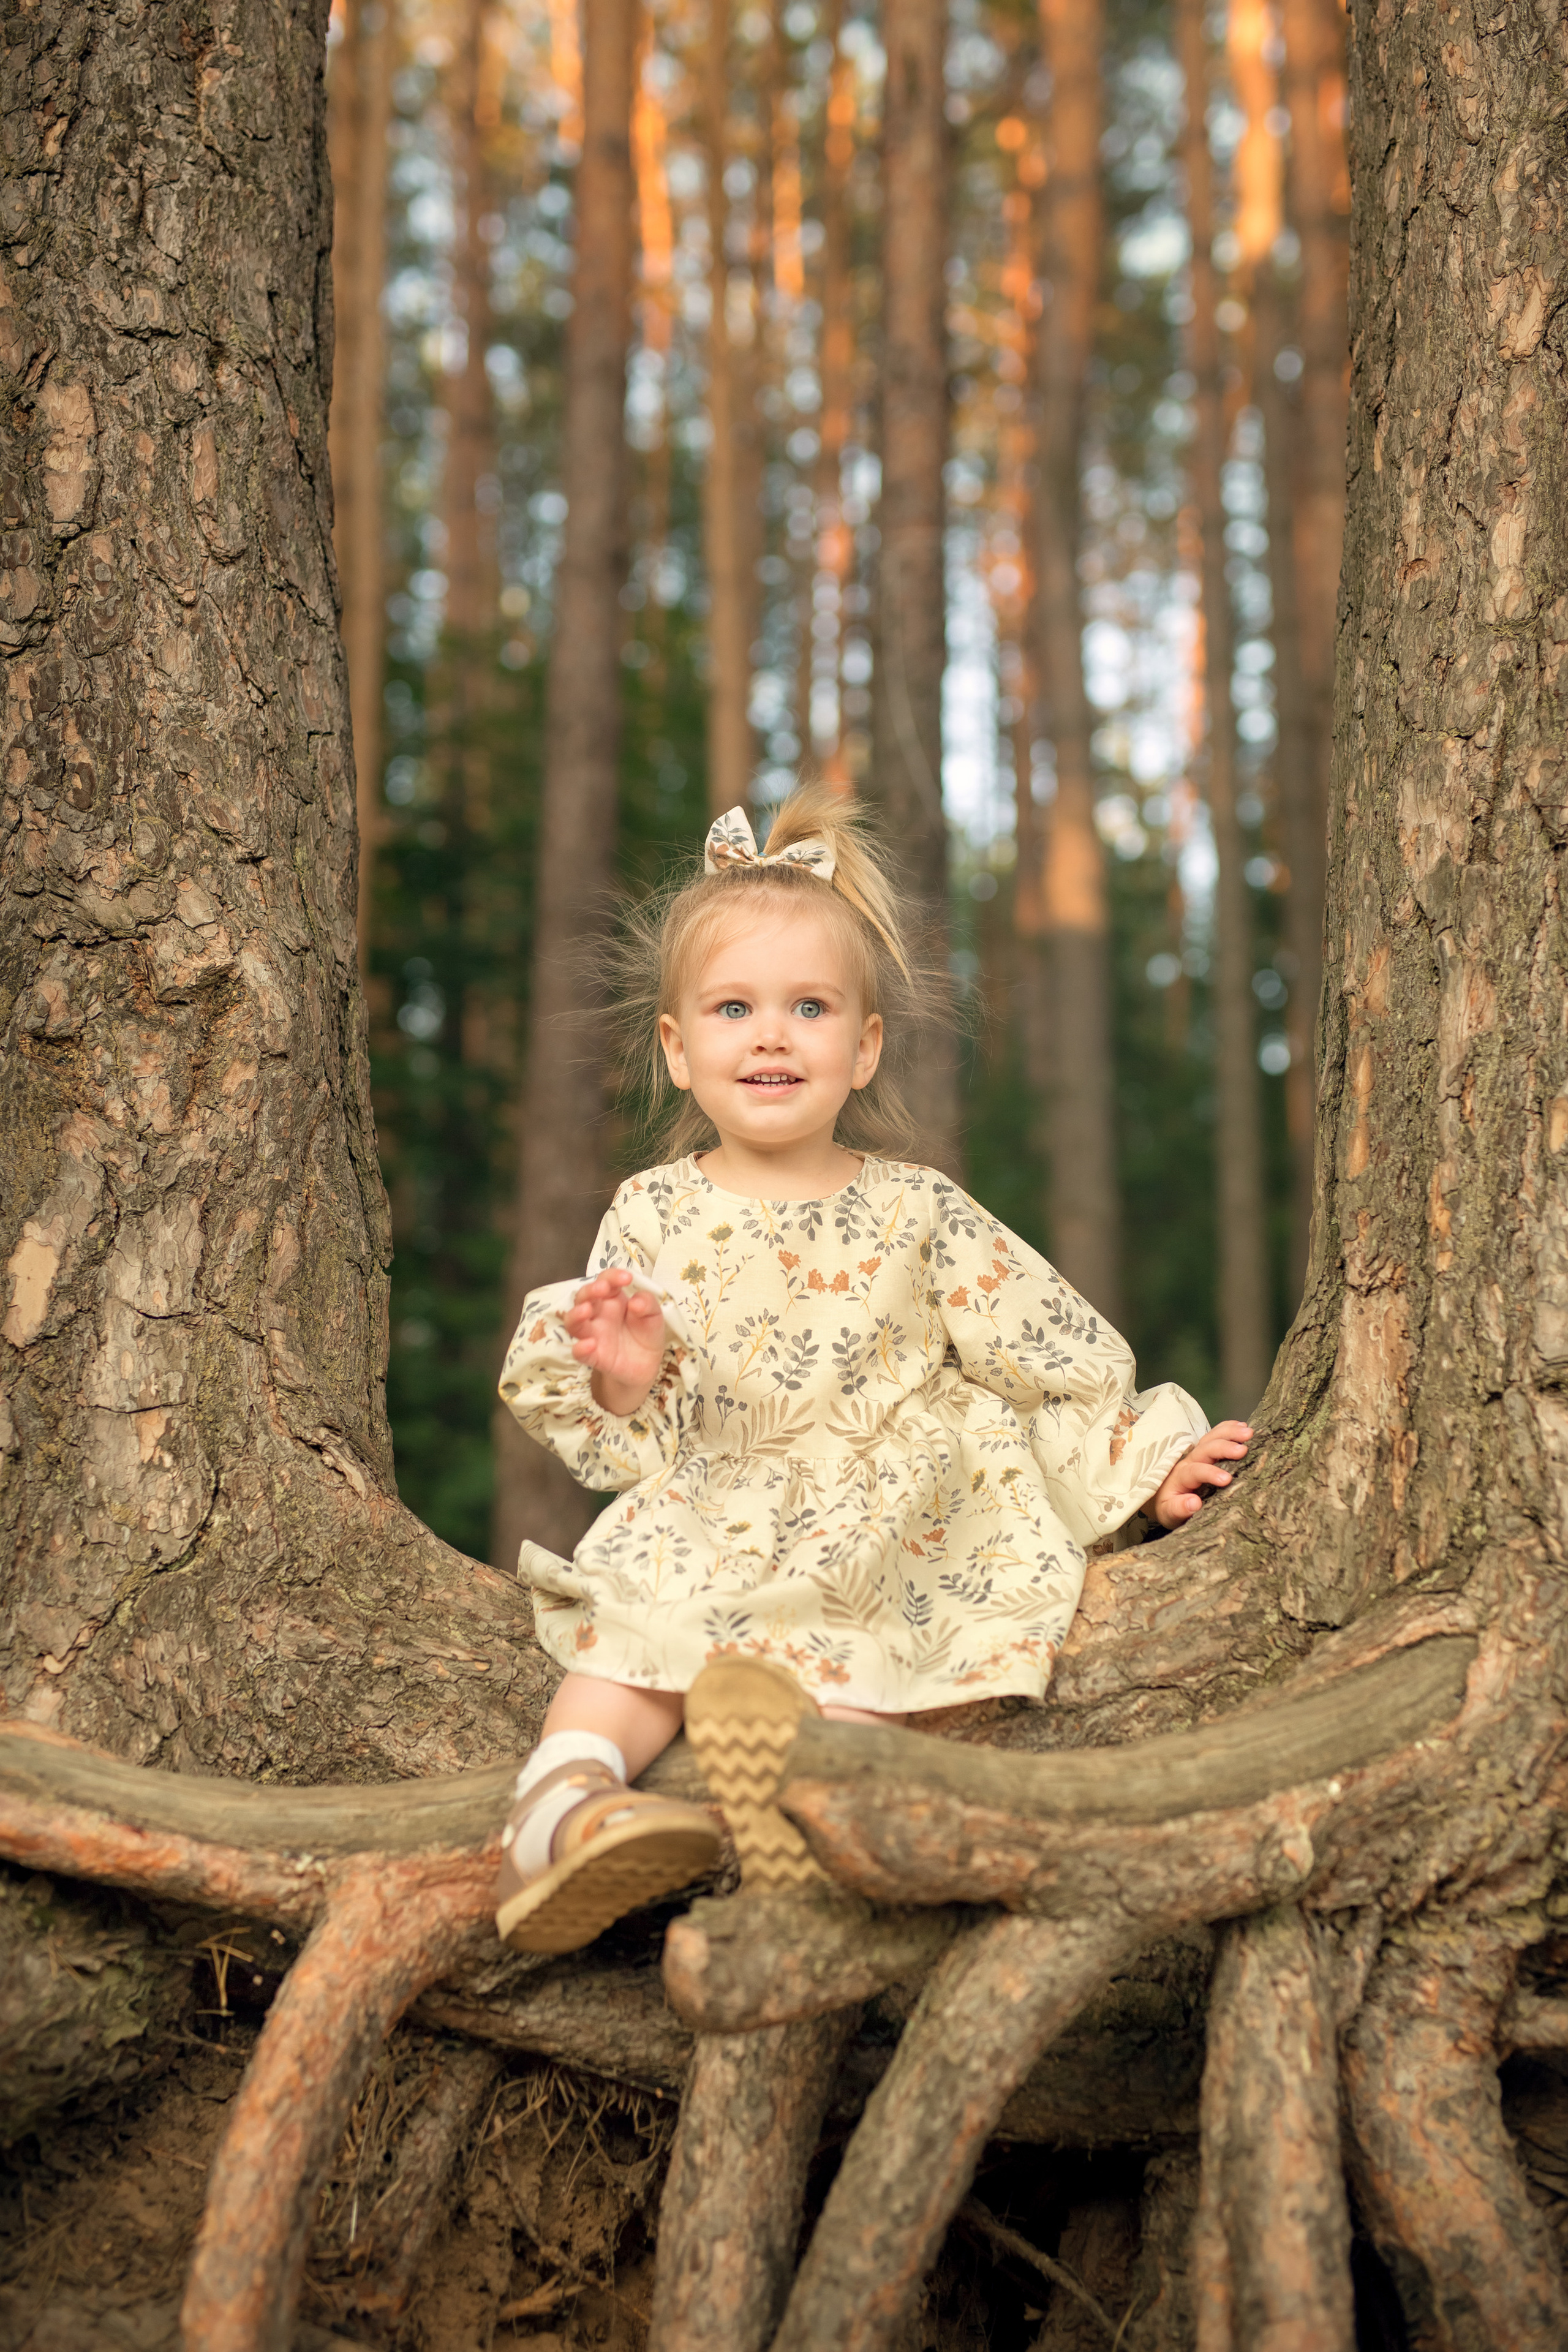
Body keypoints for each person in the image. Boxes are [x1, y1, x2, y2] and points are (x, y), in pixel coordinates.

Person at [493, 785, 1251, 1953]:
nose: (772, 1034)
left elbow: (1039, 1351)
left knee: (873, 1662)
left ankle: (815, 1821)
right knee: (635, 1625)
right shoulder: (649, 1210)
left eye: (810, 1007)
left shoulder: (916, 1208)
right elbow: (626, 1422)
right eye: (734, 1007)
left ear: (866, 1045)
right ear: (677, 1048)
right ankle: (565, 1807)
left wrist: (1141, 1466)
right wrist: (627, 1372)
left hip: (892, 1504)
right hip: (721, 1488)